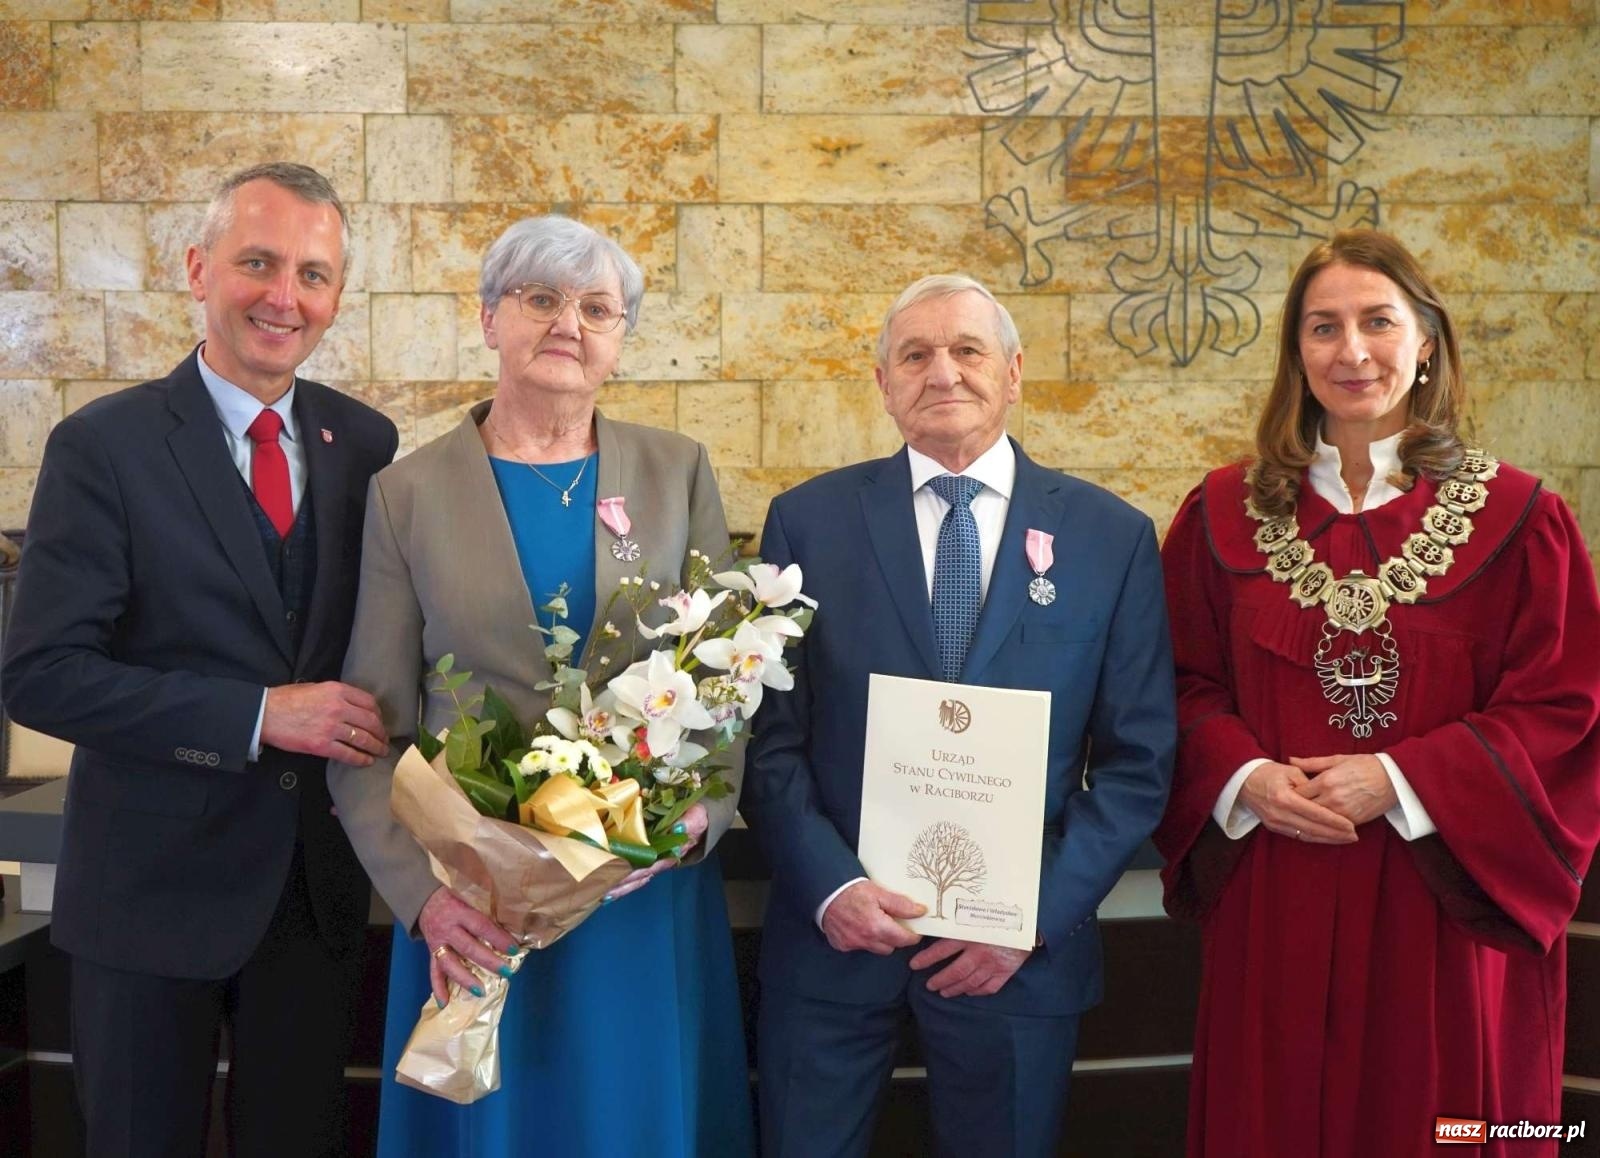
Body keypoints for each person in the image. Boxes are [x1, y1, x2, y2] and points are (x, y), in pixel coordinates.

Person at [1155, 229, 1600, 1157]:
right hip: (1273, 886)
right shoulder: (1221, 515)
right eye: (1323, 328)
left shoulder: (1523, 519)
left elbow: (1563, 708)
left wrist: (1401, 780)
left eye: (1377, 322)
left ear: (1427, 340)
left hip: (1442, 902)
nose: (1351, 351)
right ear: (1296, 352)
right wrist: (1245, 780)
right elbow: (1176, 684)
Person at [327, 215, 754, 1157]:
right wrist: (423, 898)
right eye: (542, 299)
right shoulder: (408, 493)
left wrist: (698, 817)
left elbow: (727, 679)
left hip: (636, 894)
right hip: (471, 909)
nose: (570, 324)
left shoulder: (676, 471)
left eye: (598, 308)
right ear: (489, 319)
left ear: (620, 339)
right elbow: (368, 731)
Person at [0, 162, 398, 1158]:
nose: (283, 296)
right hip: (146, 901)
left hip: (313, 898)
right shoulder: (103, 447)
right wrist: (259, 716)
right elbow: (42, 670)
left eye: (313, 274)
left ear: (336, 296)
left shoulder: (368, 447)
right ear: (197, 269)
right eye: (256, 262)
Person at [741, 274, 1176, 1157]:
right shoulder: (807, 523)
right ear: (884, 383)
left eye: (967, 350)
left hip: (1017, 962)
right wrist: (833, 890)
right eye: (915, 354)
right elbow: (768, 741)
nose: (943, 373)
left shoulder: (1111, 537)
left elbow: (1139, 762)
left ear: (1013, 374)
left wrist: (1031, 917)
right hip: (835, 948)